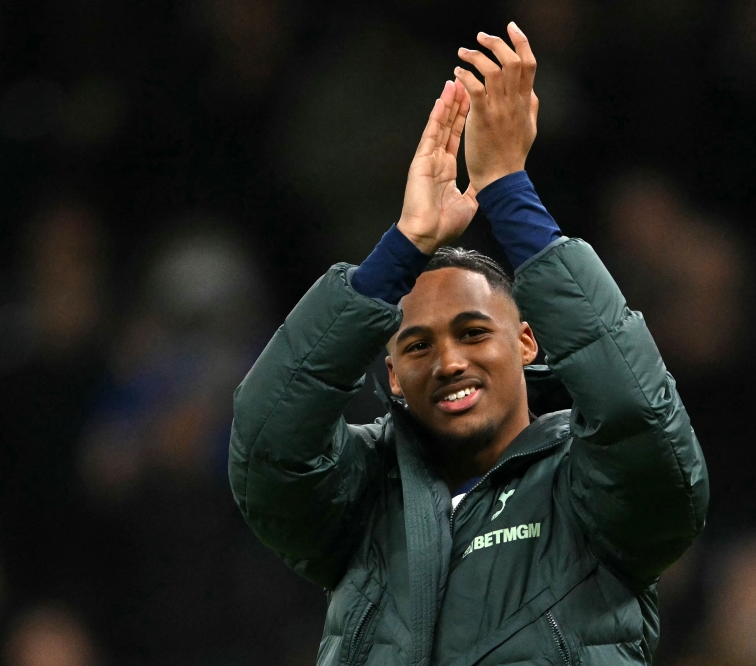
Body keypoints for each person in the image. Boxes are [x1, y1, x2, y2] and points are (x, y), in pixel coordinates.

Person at [229, 23, 709, 666]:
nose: (450, 360)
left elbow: (644, 426)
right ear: (393, 376)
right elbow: (266, 450)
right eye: (418, 346)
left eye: (475, 332)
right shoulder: (364, 494)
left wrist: (508, 187)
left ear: (529, 342)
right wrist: (402, 244)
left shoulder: (588, 483)